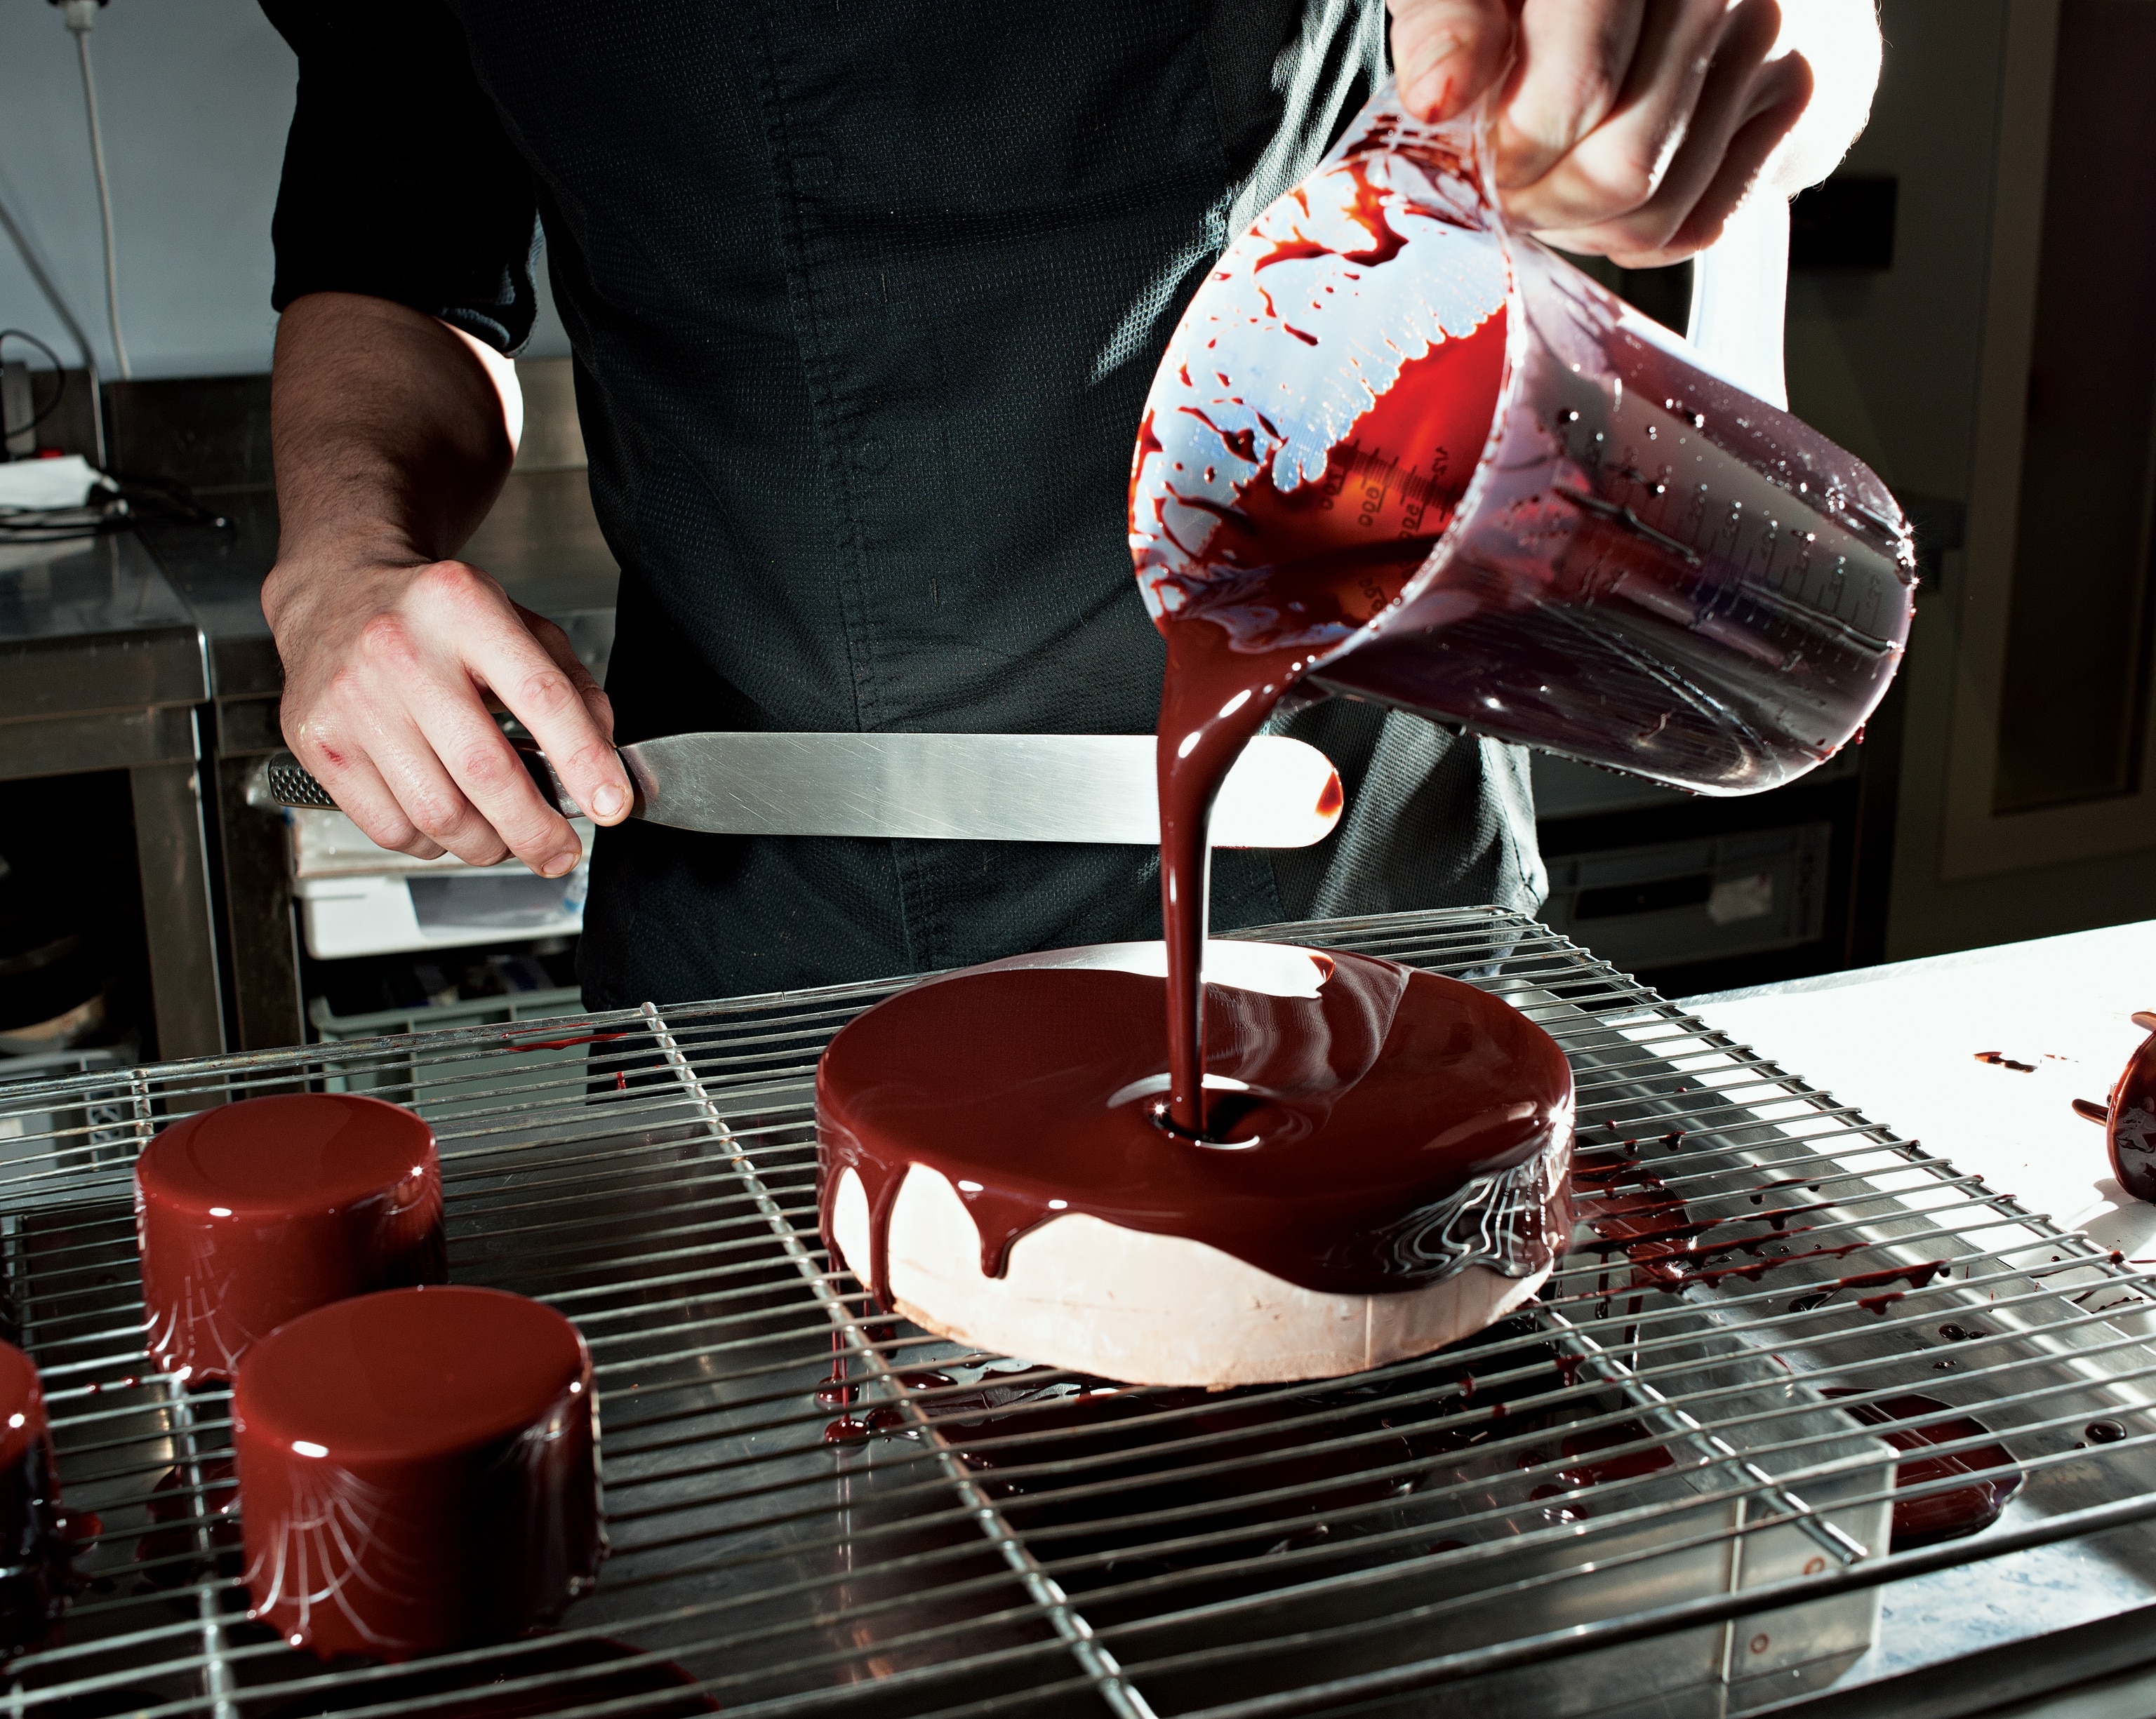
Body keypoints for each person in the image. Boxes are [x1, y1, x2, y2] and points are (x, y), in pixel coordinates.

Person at [258, 0, 1882, 1008]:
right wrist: (341, 559)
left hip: (1333, 844)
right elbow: (393, 239)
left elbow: (1810, 42)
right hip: (764, 890)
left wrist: (1735, 57)